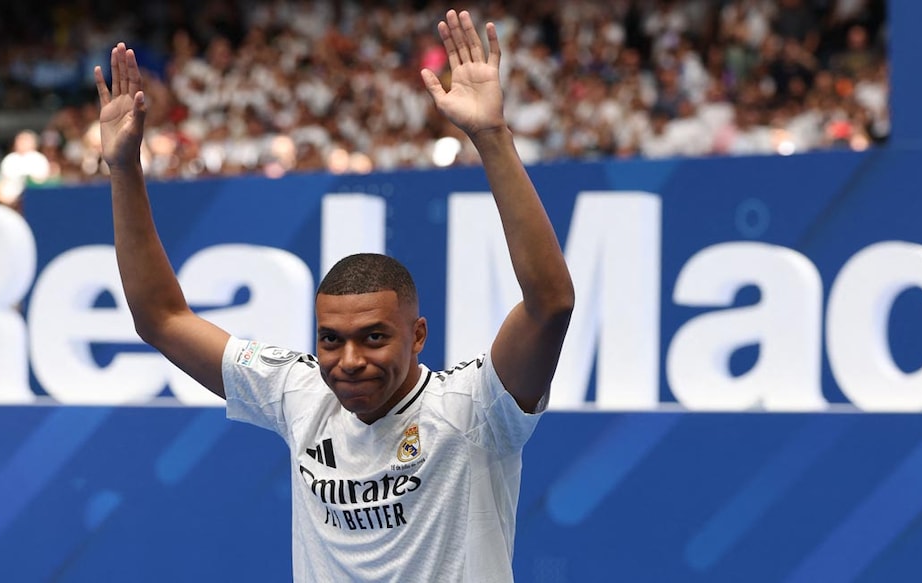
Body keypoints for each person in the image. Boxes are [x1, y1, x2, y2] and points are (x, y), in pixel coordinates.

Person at [95, 9, 574, 582]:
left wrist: (491, 137)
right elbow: (161, 317)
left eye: (373, 338)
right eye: (330, 339)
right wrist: (124, 168)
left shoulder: (474, 410)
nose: (349, 361)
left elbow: (550, 303)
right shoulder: (299, 393)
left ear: (418, 335)